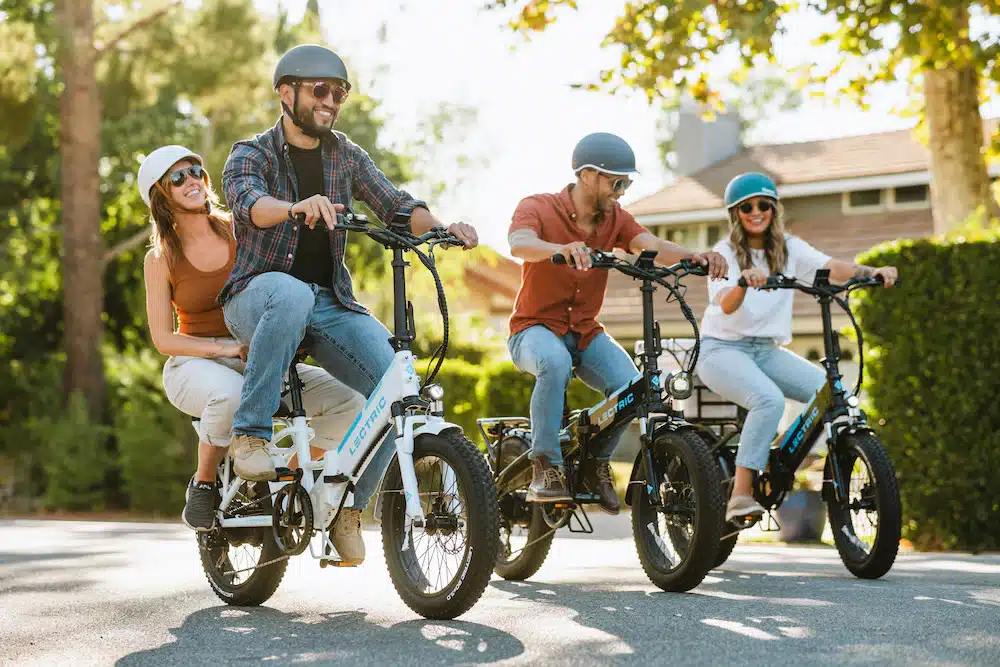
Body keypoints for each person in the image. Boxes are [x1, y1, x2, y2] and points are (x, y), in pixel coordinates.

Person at [219, 44, 478, 564]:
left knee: (399, 391)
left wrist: (442, 226)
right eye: (320, 90)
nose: (331, 101)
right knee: (290, 291)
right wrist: (294, 207)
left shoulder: (345, 154)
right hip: (257, 297)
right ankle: (249, 438)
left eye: (339, 93)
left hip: (329, 303)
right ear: (286, 92)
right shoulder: (252, 153)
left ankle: (348, 507)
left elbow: (395, 205)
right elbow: (248, 203)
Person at [139, 144, 365, 532]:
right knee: (230, 395)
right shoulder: (159, 258)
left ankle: (286, 483)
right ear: (161, 194)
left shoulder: (237, 229)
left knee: (350, 402)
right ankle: (204, 482)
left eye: (196, 171)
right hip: (195, 364)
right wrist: (226, 348)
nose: (192, 180)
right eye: (178, 177)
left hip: (257, 358)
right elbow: (164, 339)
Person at [506, 132, 728, 513]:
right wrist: (559, 249)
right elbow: (519, 242)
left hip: (586, 333)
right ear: (588, 175)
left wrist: (696, 256)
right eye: (617, 181)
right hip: (532, 330)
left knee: (632, 387)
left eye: (628, 182)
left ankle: (594, 464)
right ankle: (545, 464)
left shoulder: (615, 219)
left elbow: (648, 243)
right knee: (554, 362)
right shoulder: (538, 206)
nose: (623, 190)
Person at [695, 172, 898, 523]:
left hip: (766, 350)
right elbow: (725, 304)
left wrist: (871, 271)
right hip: (721, 350)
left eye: (764, 205)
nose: (756, 212)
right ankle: (741, 494)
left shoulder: (789, 248)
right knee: (768, 400)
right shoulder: (724, 252)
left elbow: (832, 267)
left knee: (831, 393)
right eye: (747, 207)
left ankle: (780, 457)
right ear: (736, 214)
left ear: (774, 209)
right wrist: (744, 281)